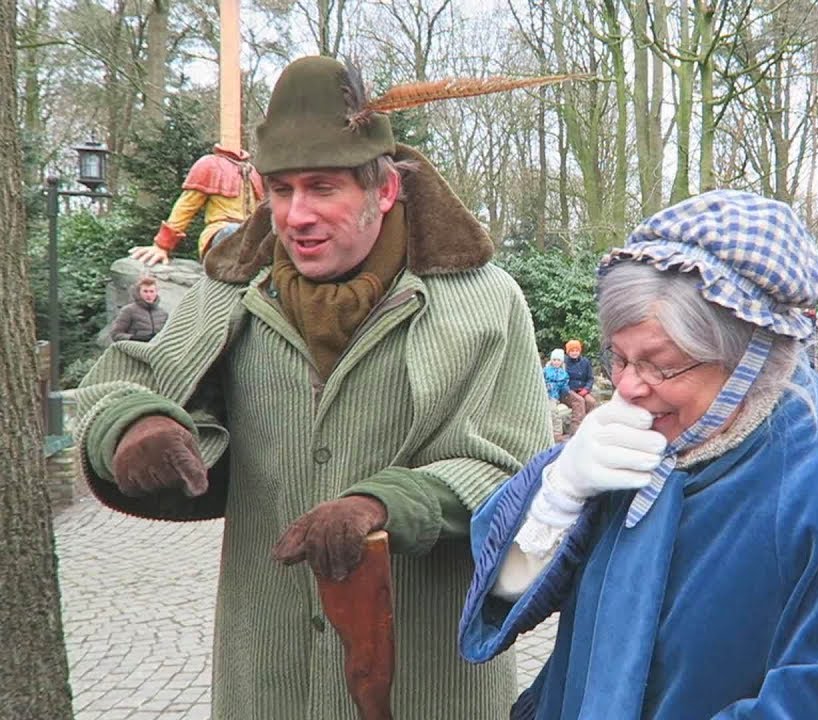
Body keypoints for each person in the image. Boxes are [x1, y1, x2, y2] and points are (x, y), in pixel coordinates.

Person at [71, 55, 552, 720]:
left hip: (424, 676)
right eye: (281, 189)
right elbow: (119, 385)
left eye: (323, 187)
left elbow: (517, 469)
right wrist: (133, 426)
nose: (296, 215)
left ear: (383, 190)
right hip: (269, 675)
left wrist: (389, 503)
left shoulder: (484, 300)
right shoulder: (232, 288)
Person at [458, 190, 818, 719]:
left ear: (750, 355)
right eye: (618, 358)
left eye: (659, 365)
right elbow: (503, 589)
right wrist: (559, 494)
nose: (629, 388)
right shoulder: (635, 444)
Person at [131, 144, 264, 265]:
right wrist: (162, 245)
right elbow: (187, 205)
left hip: (250, 236)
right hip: (222, 234)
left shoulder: (253, 172)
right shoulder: (210, 164)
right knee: (234, 231)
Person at [109, 275, 169, 342]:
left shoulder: (163, 313)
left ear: (156, 293)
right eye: (145, 291)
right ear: (139, 292)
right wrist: (135, 338)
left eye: (151, 291)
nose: (148, 295)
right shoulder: (128, 310)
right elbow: (115, 334)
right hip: (134, 349)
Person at [563, 339, 598, 423]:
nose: (574, 353)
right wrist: (568, 390)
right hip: (569, 391)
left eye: (576, 350)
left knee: (591, 402)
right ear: (568, 352)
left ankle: (589, 424)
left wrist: (586, 389)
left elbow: (590, 378)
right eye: (572, 351)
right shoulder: (564, 362)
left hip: (582, 389)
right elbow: (562, 379)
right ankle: (576, 427)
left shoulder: (585, 362)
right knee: (579, 401)